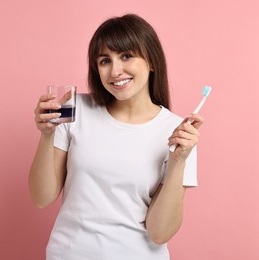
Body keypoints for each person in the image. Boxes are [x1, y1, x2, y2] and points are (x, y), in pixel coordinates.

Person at [29, 13, 204, 260]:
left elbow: (159, 232)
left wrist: (177, 163)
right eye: (104, 60)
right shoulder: (75, 109)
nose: (115, 71)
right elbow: (41, 198)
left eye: (126, 56)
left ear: (151, 61)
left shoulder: (179, 133)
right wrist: (47, 135)